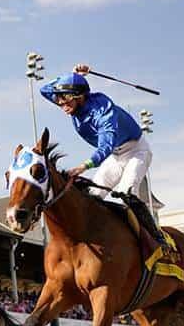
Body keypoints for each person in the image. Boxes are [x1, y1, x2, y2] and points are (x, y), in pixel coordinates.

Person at [40, 64, 167, 248]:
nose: (61, 104)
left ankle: (156, 239)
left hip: (136, 152)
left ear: (80, 97)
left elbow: (106, 146)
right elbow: (44, 90)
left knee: (125, 193)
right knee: (93, 195)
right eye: (59, 99)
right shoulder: (71, 100)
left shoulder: (103, 114)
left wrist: (84, 166)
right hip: (115, 157)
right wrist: (72, 77)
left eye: (65, 99)